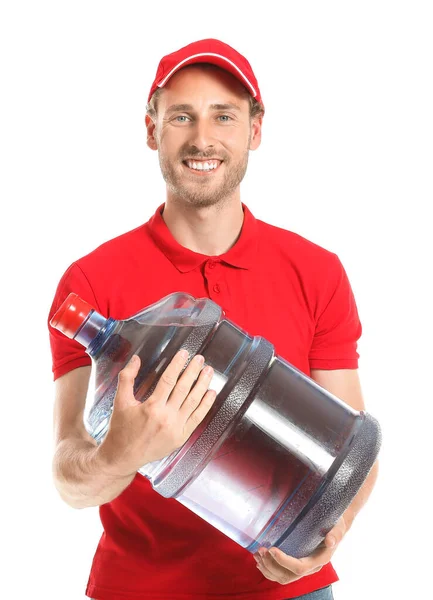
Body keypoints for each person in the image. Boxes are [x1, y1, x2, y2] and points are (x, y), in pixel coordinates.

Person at [48, 38, 379, 600]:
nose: (203, 139)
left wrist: (331, 532)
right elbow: (70, 478)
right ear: (152, 129)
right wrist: (120, 455)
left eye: (223, 116)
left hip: (290, 590)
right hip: (141, 589)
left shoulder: (315, 271)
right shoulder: (92, 282)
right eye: (182, 116)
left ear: (254, 129)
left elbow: (350, 446)